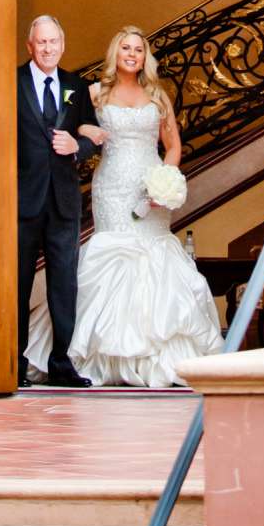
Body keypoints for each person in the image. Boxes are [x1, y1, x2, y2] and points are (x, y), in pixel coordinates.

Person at [27, 24, 221, 390]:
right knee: (112, 254)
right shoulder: (94, 93)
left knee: (153, 254)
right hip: (112, 186)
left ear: (145, 57)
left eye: (138, 50)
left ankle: (155, 357)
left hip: (148, 187)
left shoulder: (158, 96)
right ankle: (88, 356)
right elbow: (69, 126)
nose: (132, 55)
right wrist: (86, 134)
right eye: (126, 49)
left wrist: (165, 180)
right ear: (115, 53)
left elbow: (174, 145)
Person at [16, 14, 100, 389]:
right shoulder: (12, 82)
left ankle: (62, 363)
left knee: (64, 284)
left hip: (64, 201)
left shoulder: (75, 85)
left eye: (53, 42)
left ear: (62, 45)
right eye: (41, 42)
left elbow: (90, 131)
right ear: (30, 46)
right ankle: (12, 362)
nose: (48, 48)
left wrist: (76, 147)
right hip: (22, 199)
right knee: (15, 284)